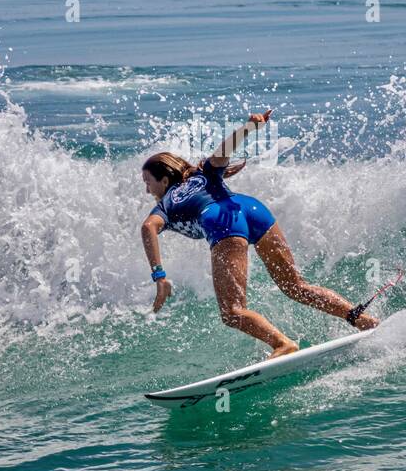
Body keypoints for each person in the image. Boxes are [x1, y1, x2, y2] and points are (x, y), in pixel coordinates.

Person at [141, 109, 379, 359]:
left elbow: (148, 228)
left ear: (165, 181)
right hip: (252, 210)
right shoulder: (202, 174)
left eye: (148, 182)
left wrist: (160, 276)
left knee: (233, 312)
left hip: (222, 224)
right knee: (295, 286)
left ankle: (282, 344)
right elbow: (223, 152)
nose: (147, 190)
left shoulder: (165, 205)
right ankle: (361, 319)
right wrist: (249, 128)